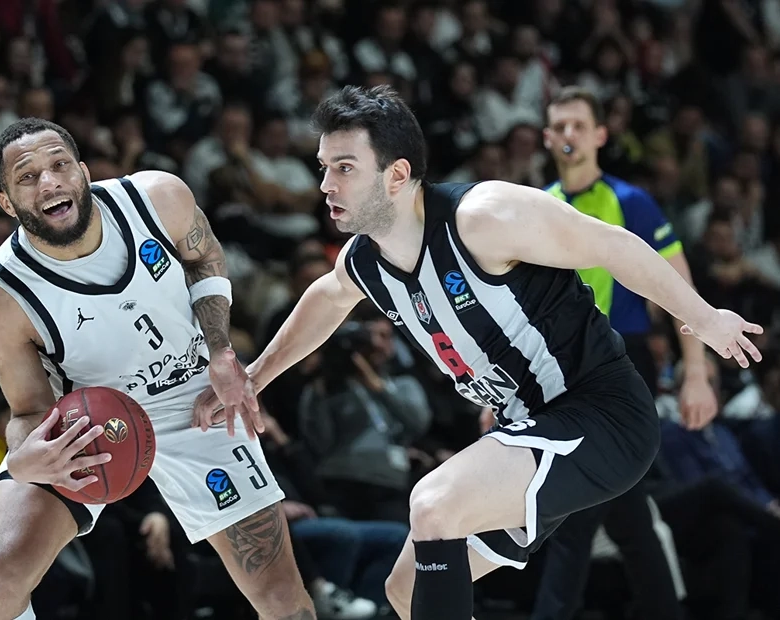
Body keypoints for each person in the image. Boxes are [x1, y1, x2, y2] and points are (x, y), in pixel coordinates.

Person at [192, 85, 764, 620]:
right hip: (527, 425)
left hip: (601, 413)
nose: (325, 185)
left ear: (396, 175)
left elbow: (613, 246)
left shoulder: (482, 216)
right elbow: (328, 297)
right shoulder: (365, 261)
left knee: (434, 504)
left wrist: (705, 320)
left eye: (344, 168)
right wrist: (255, 376)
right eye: (323, 167)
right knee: (406, 589)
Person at [0, 118, 314, 620]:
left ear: (84, 172)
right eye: (27, 177)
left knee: (282, 599)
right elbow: (28, 411)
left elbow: (205, 257)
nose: (49, 182)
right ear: (6, 202)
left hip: (196, 399)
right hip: (87, 424)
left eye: (60, 165)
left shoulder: (157, 197)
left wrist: (221, 351)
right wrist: (24, 456)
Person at [531, 86, 720, 620]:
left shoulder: (631, 202)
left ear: (600, 135)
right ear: (547, 138)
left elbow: (681, 289)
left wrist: (696, 372)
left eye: (578, 125)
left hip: (622, 364)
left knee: (575, 515)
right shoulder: (536, 207)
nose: (569, 134)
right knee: (626, 514)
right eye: (559, 126)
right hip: (557, 369)